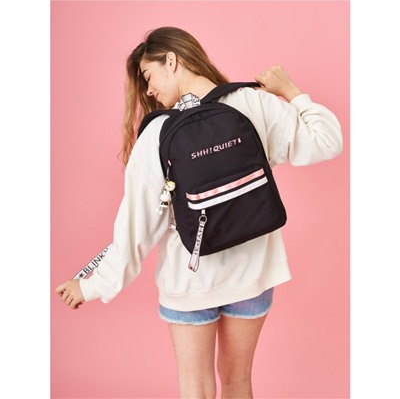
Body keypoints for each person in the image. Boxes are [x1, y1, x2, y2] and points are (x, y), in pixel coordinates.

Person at [56, 26, 343, 398]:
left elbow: (137, 228)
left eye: (148, 76)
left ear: (171, 61)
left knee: (197, 389)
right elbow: (327, 141)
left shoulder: (158, 134)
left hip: (188, 280)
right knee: (238, 380)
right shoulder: (253, 102)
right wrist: (290, 91)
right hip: (254, 274)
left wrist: (91, 285)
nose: (148, 90)